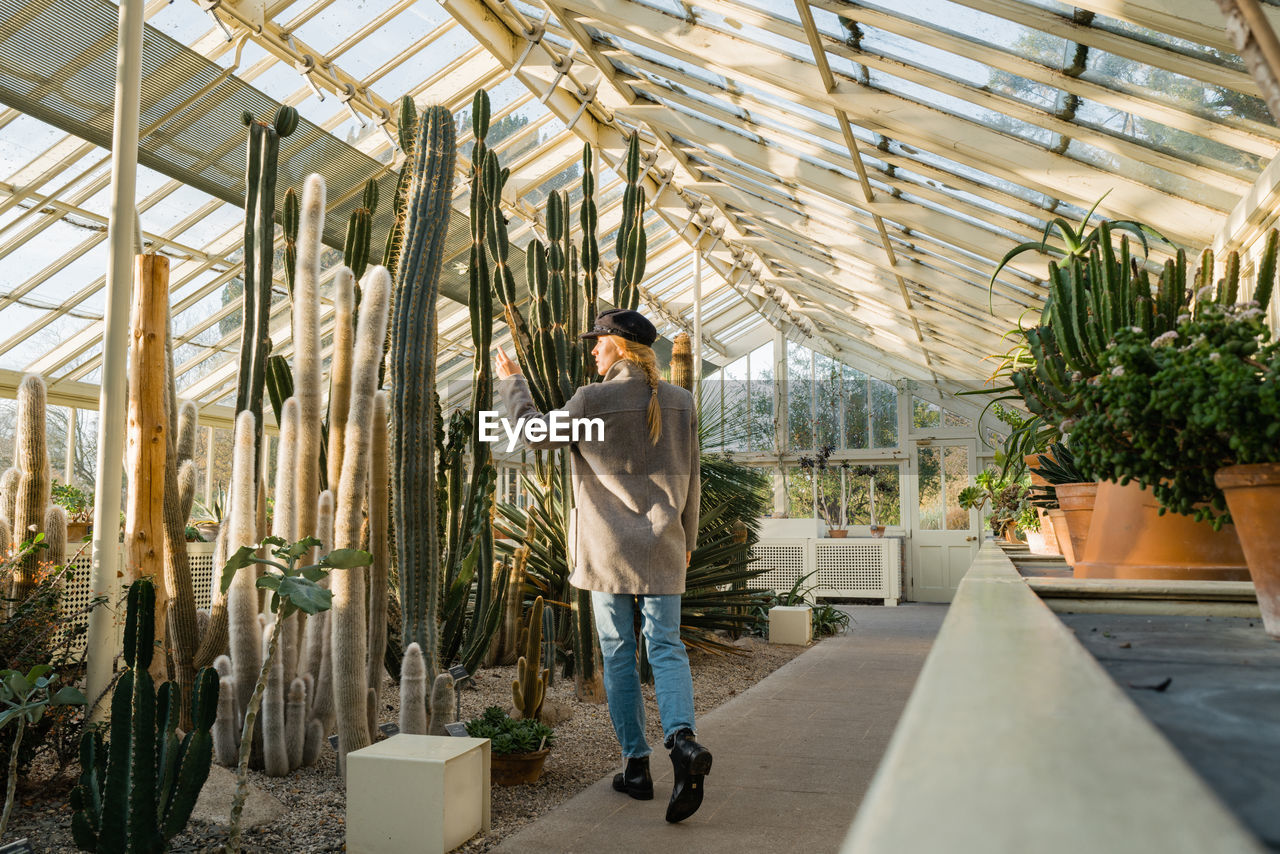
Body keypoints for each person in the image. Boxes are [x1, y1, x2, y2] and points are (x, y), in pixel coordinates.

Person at [493, 307, 711, 823]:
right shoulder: (680, 402)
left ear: (620, 346)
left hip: (607, 550)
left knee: (617, 653)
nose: (591, 350)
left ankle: (636, 768)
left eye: (598, 341)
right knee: (666, 647)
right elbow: (693, 477)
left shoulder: (594, 400)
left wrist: (512, 384)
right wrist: (688, 539)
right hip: (664, 544)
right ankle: (682, 742)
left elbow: (532, 433)